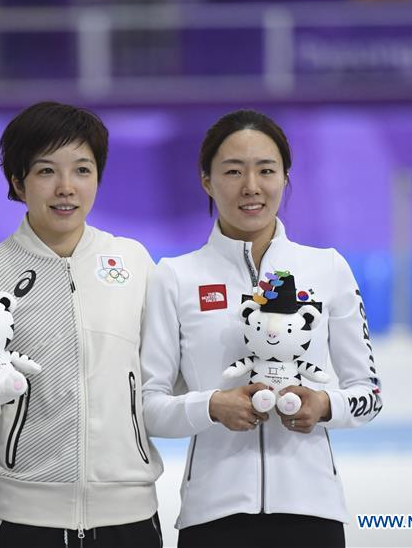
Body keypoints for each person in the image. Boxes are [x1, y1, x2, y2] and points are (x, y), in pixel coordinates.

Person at [140, 109, 383, 548]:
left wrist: (325, 405)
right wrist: (212, 406)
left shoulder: (327, 267)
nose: (251, 186)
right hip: (212, 517)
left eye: (266, 170)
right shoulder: (174, 276)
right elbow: (149, 405)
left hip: (313, 515)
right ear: (206, 181)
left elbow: (370, 394)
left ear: (285, 178)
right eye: (233, 171)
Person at [0, 101, 164, 548]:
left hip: (129, 515)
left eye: (82, 170)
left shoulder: (133, 262)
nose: (66, 188)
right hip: (24, 518)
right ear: (18, 181)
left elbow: (165, 378)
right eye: (47, 171)